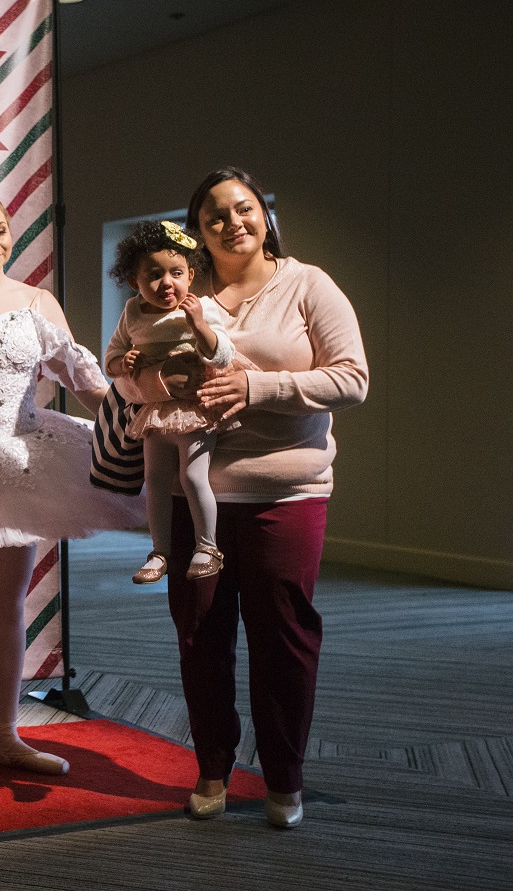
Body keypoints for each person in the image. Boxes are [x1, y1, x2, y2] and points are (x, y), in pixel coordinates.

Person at [0, 188, 142, 775]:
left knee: (7, 603)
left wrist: (139, 411)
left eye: (1, 230)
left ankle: (8, 733)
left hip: (23, 460)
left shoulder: (38, 302)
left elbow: (84, 380)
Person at [171, 167, 368, 829]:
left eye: (243, 208)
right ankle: (213, 769)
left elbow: (352, 380)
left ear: (265, 215)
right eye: (214, 216)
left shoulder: (308, 285)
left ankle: (284, 776)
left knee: (282, 639)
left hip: (286, 494)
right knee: (202, 639)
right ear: (200, 232)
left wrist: (257, 388)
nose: (232, 223)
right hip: (196, 500)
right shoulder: (185, 293)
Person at [105, 220, 236, 586]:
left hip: (193, 409)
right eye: (154, 274)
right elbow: (112, 356)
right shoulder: (132, 312)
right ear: (135, 281)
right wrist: (122, 362)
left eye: (176, 272)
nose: (167, 283)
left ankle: (208, 546)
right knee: (155, 480)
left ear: (191, 275)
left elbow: (224, 354)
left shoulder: (201, 308)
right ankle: (159, 550)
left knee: (193, 475)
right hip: (153, 411)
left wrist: (200, 327)